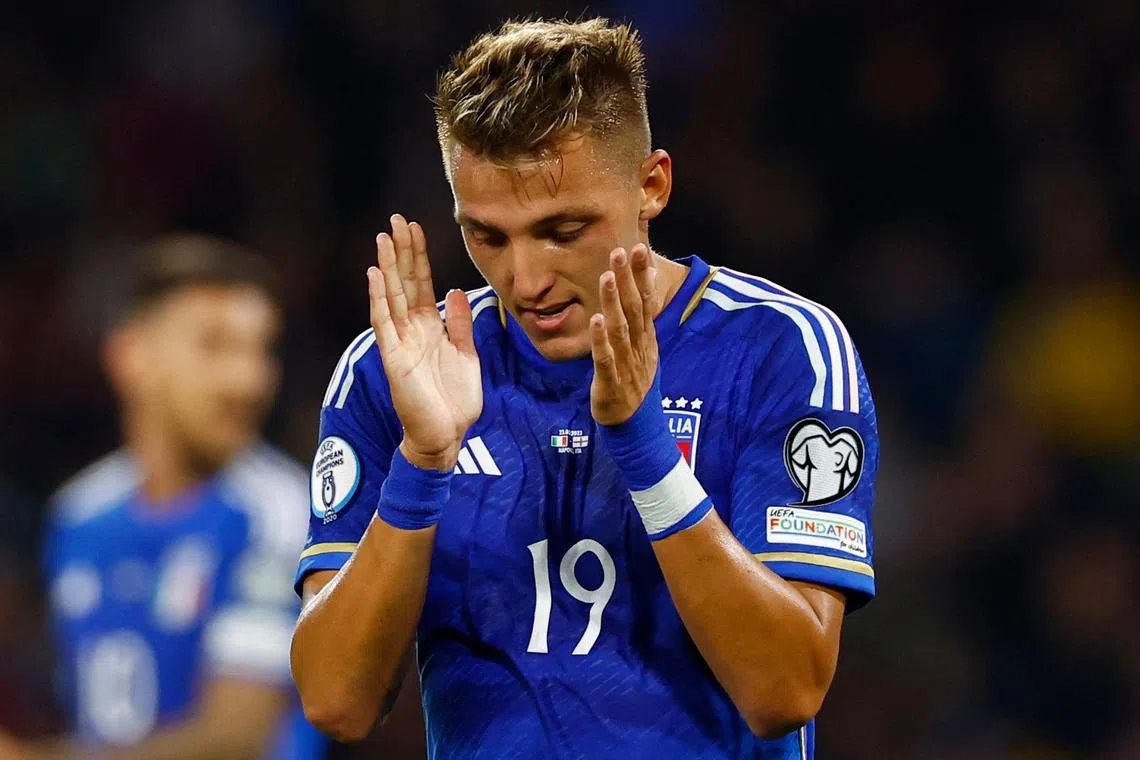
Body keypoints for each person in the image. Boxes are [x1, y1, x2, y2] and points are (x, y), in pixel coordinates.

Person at [292, 18, 878, 759]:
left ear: (652, 185)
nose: (526, 280)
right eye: (488, 237)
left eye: (563, 231)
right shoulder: (399, 372)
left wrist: (643, 444)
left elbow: (784, 691)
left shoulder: (778, 349)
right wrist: (422, 460)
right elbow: (335, 702)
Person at [0, 235, 324, 760]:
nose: (249, 380)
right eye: (214, 345)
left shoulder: (279, 510)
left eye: (261, 349)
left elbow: (237, 738)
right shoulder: (77, 516)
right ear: (130, 356)